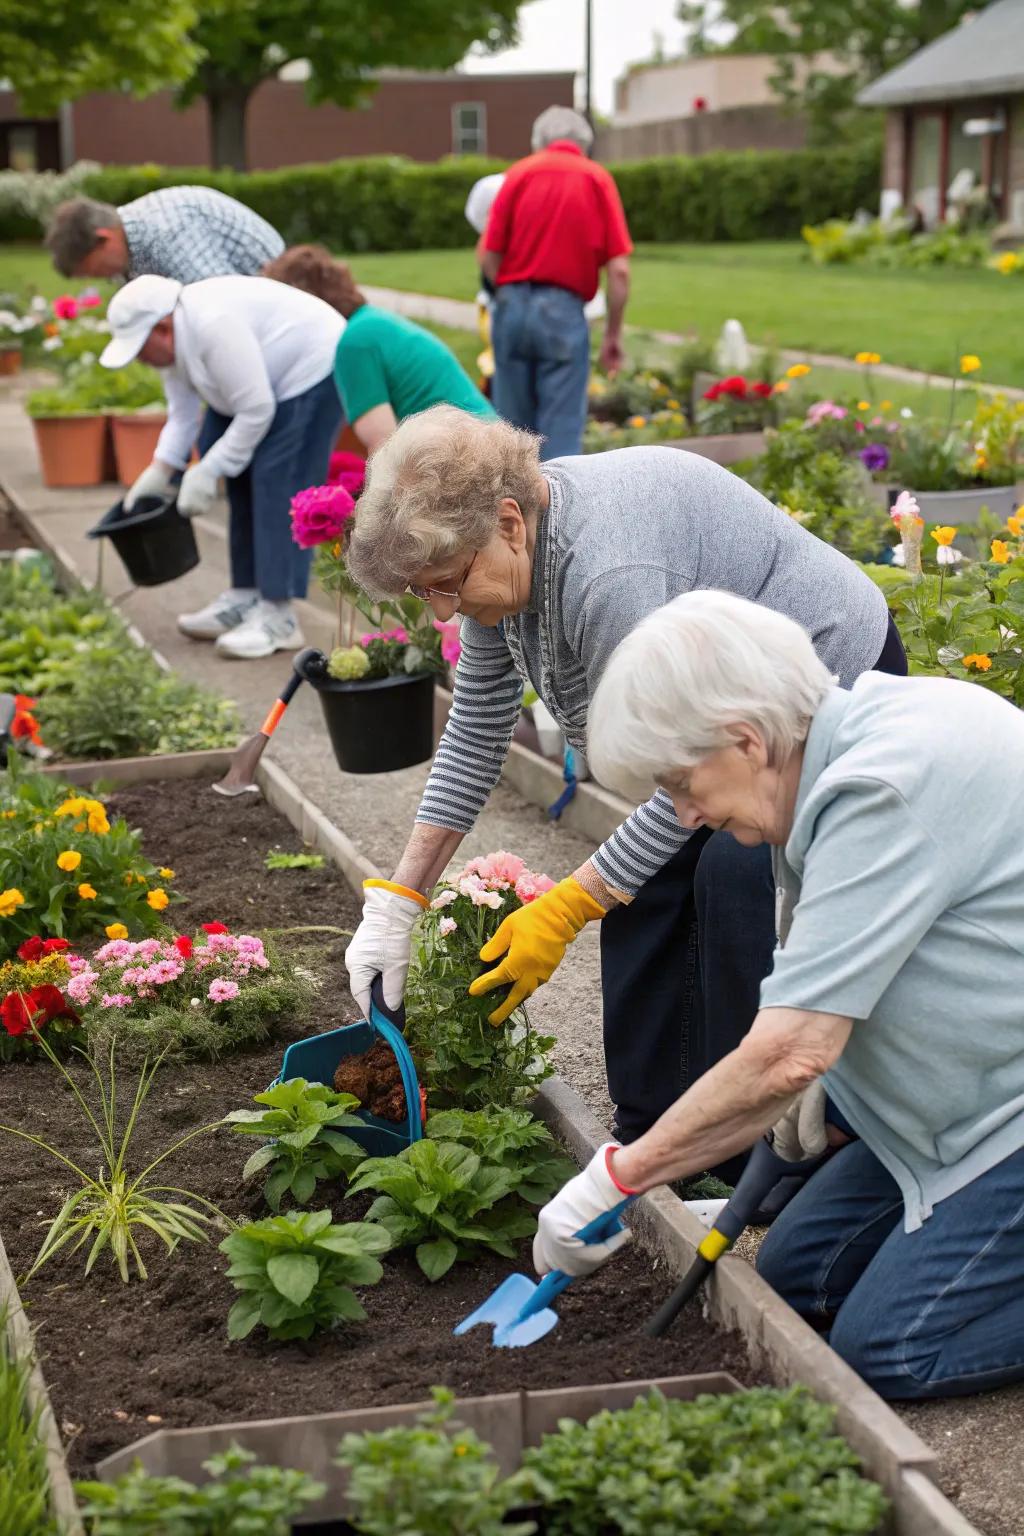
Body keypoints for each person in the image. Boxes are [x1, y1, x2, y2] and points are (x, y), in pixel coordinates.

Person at [342, 408, 906, 1165]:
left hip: (820, 687)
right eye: (427, 591)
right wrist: (399, 899)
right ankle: (654, 1138)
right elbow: (477, 726)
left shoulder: (611, 576)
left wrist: (571, 901)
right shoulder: (491, 556)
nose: (444, 608)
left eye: (449, 585)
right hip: (712, 727)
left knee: (735, 881)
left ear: (510, 521)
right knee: (641, 899)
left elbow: (688, 773)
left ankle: (762, 1150)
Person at [533, 588, 1024, 1401]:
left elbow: (791, 1048)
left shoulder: (883, 784)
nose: (685, 812)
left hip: (1008, 1108)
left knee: (889, 1350)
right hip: (962, 1105)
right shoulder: (828, 759)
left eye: (681, 783)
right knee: (800, 1286)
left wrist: (616, 1179)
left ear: (745, 739)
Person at [99, 273, 343, 659]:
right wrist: (160, 471)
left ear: (162, 328)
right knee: (229, 462)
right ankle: (245, 596)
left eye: (140, 348)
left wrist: (209, 470)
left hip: (312, 371)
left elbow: (257, 408)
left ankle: (279, 617)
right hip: (257, 387)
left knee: (276, 482)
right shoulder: (174, 345)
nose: (141, 360)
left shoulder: (212, 326)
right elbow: (182, 417)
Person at [481, 106, 632, 459]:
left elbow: (489, 257)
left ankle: (509, 511)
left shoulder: (518, 175)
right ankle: (559, 514)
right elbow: (620, 272)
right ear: (584, 143)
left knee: (511, 440)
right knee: (560, 439)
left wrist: (507, 296)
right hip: (563, 311)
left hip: (511, 307)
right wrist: (612, 335)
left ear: (539, 141)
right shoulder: (596, 179)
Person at [263, 245, 496, 453]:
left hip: (466, 458)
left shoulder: (353, 343)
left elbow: (383, 446)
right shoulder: (372, 323)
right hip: (488, 446)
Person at [45, 187, 284, 285]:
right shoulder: (132, 243)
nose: (102, 278)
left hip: (282, 294)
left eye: (95, 270)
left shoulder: (166, 233)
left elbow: (219, 302)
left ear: (104, 239)